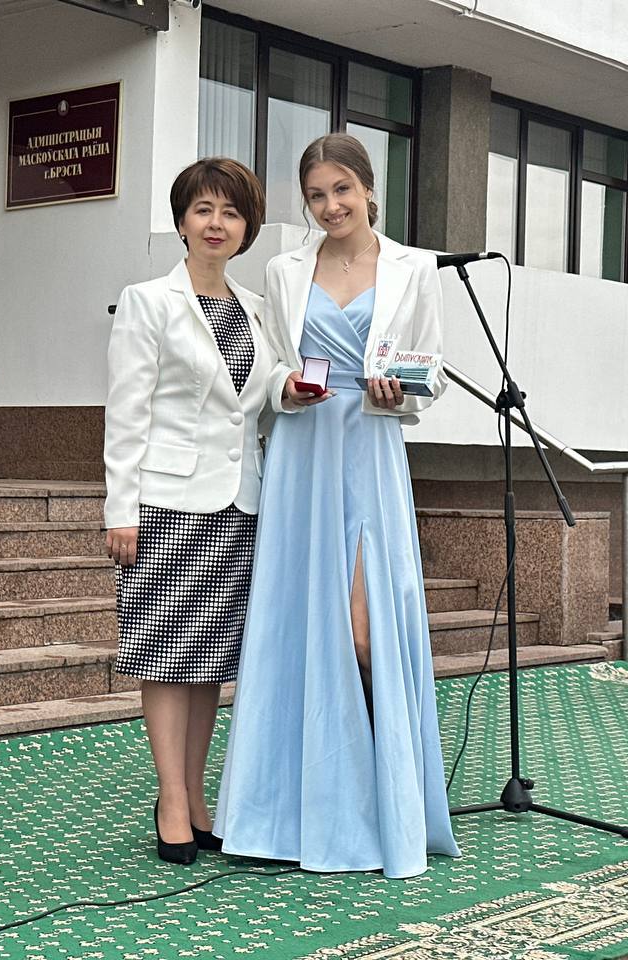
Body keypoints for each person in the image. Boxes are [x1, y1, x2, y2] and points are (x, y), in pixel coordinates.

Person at [214, 133, 460, 879]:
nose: (330, 206)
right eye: (316, 195)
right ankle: (290, 814)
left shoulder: (415, 268)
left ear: (369, 190)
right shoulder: (284, 269)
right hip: (303, 451)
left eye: (342, 191)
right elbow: (269, 366)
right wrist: (284, 389)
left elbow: (432, 373)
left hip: (372, 449)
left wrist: (400, 391)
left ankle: (385, 804)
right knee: (297, 625)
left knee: (365, 631)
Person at [104, 158, 278, 865]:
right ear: (182, 221)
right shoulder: (148, 301)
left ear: (247, 227)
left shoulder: (258, 309)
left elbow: (263, 402)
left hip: (239, 502)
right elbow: (127, 410)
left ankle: (198, 793)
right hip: (166, 503)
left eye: (231, 212)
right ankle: (171, 797)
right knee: (166, 658)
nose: (216, 223)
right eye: (203, 209)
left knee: (209, 663)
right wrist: (121, 508)